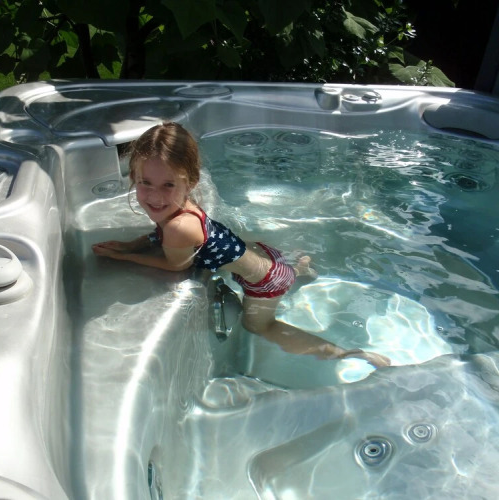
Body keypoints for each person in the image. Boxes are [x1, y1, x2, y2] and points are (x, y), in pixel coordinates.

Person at [92, 123, 390, 368]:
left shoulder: (179, 227)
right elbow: (163, 233)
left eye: (167, 185)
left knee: (260, 327)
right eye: (145, 182)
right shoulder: (182, 206)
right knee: (282, 273)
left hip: (265, 283)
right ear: (134, 176)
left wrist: (128, 257)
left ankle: (347, 354)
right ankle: (301, 270)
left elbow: (175, 265)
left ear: (190, 183)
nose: (155, 196)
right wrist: (132, 244)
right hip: (265, 257)